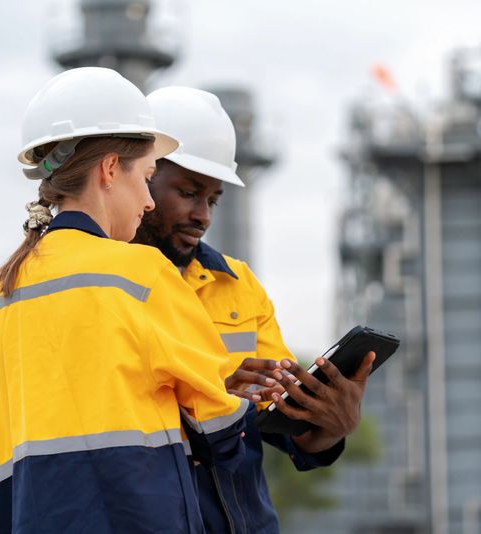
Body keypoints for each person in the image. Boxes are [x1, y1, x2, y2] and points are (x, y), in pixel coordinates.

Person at [0, 69, 248, 534]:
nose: (149, 201)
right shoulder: (141, 274)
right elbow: (219, 426)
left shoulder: (3, 296)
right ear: (110, 169)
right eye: (146, 177)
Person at [135, 86, 376, 533]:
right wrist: (210, 403)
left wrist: (331, 424)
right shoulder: (103, 286)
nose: (203, 215)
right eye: (188, 192)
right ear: (140, 177)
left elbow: (288, 428)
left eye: (213, 199)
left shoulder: (238, 286)